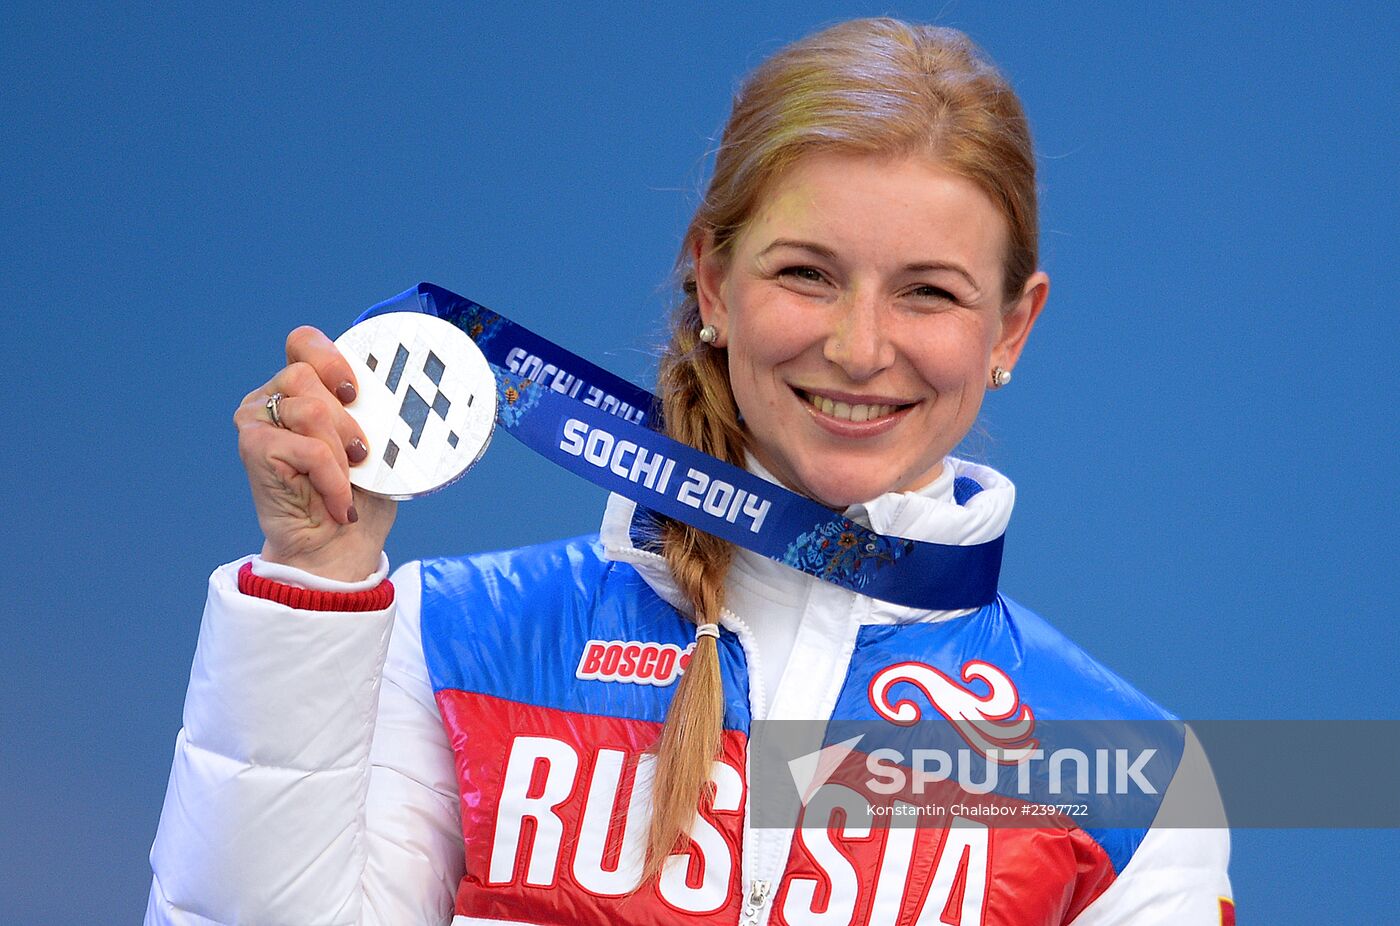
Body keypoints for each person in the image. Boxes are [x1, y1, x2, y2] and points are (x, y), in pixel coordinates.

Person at [146, 17, 1233, 926]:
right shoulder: (451, 643)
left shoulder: (1127, 780)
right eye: (806, 274)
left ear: (1012, 327)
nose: (860, 348)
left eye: (929, 292)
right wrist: (314, 582)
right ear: (712, 283)